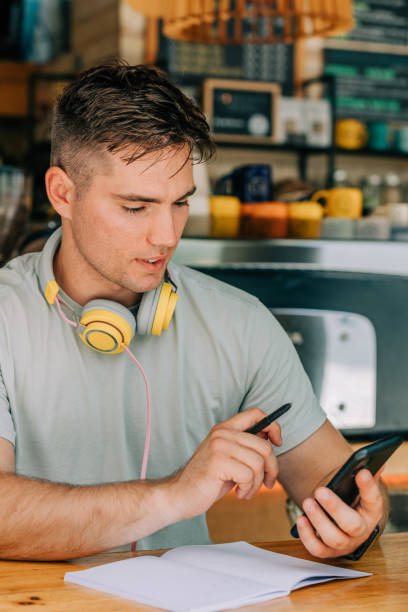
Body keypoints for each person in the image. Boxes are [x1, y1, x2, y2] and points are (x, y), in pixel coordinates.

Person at [0, 62, 387, 561]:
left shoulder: (240, 323)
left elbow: (334, 488)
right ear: (62, 194)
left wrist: (356, 525)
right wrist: (175, 494)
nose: (166, 236)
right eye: (136, 207)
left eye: (180, 202)